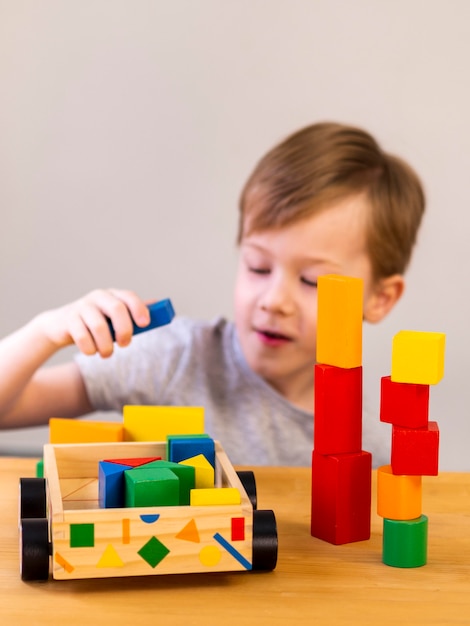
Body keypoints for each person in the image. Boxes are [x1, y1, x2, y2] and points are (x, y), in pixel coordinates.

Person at [0, 122, 425, 467]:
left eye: (312, 281)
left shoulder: (372, 437)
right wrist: (44, 333)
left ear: (380, 299)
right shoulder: (174, 357)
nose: (274, 300)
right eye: (258, 267)